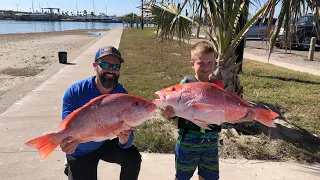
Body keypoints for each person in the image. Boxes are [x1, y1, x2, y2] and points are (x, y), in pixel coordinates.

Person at [60, 46, 141, 180]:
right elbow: (66, 128)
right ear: (95, 66)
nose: (110, 70)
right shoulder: (75, 92)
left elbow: (128, 140)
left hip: (103, 142)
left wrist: (124, 138)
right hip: (81, 150)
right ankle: (71, 165)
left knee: (133, 157)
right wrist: (66, 142)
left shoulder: (122, 96)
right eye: (105, 65)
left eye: (115, 67)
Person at [162, 41, 223, 180]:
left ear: (214, 63)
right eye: (201, 63)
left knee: (209, 177)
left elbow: (222, 111)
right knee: (182, 176)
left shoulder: (217, 86)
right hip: (187, 143)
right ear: (192, 64)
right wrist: (170, 114)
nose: (206, 67)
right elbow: (176, 107)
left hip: (211, 143)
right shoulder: (185, 85)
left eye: (210, 63)